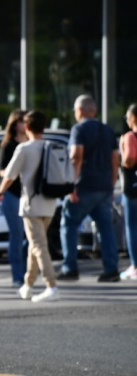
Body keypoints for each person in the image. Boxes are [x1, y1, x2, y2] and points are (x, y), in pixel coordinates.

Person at [0, 110, 60, 302]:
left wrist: (0, 193)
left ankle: (52, 286)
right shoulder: (51, 146)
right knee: (35, 244)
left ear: (28, 127)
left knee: (39, 245)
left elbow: (9, 175)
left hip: (31, 204)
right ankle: (28, 285)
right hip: (49, 203)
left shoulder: (24, 149)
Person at [58, 94, 121, 282]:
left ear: (80, 111)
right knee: (105, 227)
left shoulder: (79, 129)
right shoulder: (108, 131)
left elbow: (76, 156)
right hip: (104, 187)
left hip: (84, 185)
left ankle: (70, 268)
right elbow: (115, 161)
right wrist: (111, 186)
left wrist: (71, 185)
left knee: (68, 223)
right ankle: (111, 269)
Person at [0, 110, 29, 287]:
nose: (24, 124)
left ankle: (26, 272)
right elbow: (3, 171)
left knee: (29, 237)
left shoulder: (32, 143)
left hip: (29, 194)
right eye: (20, 121)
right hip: (11, 193)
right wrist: (14, 172)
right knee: (16, 235)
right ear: (14, 124)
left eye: (26, 121)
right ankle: (17, 275)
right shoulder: (9, 145)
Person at [119, 104, 137, 280]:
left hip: (133, 187)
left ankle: (135, 265)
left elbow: (130, 158)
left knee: (132, 226)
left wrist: (123, 162)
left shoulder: (130, 136)